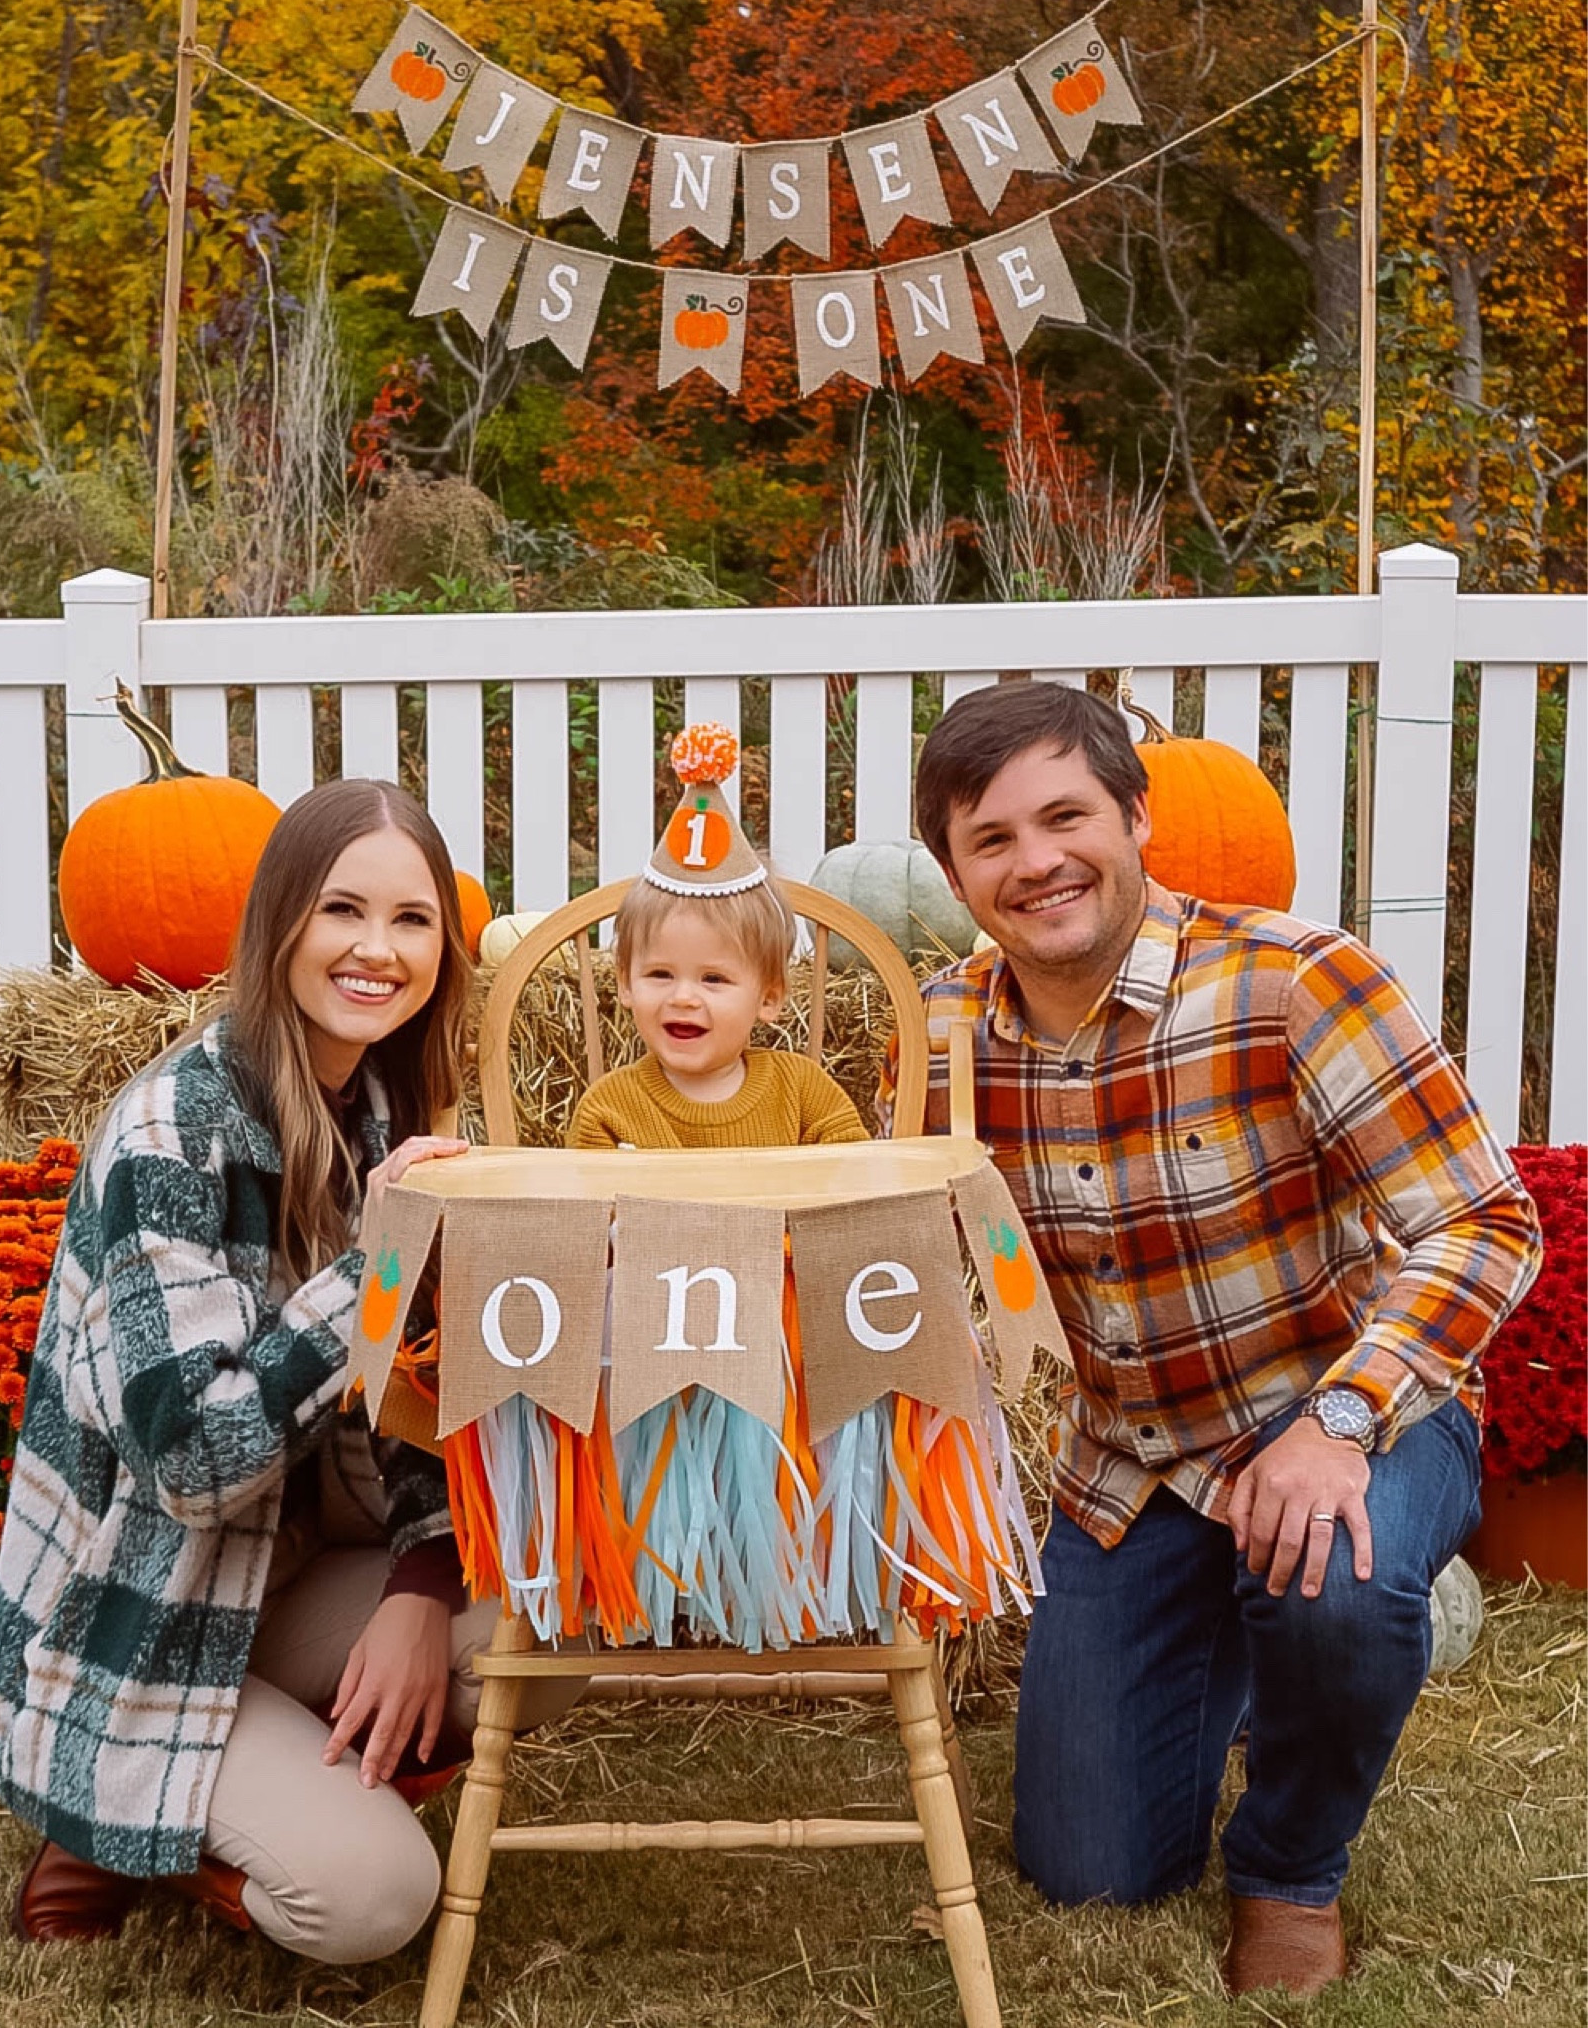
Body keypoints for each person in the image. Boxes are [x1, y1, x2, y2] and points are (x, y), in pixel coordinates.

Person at [879, 680, 1542, 1996]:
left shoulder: (1297, 977)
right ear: (954, 872)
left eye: (1067, 816)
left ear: (1135, 817)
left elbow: (1483, 1223)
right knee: (1094, 1868)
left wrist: (1340, 1426)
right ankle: (1243, 1651)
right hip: (1137, 1467)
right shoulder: (943, 1037)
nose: (1039, 861)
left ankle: (1293, 1859)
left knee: (1337, 1588)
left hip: (1351, 1416)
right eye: (991, 838)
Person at [0, 779, 563, 1964]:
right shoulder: (170, 1133)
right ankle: (121, 1820)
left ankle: (268, 1753)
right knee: (376, 1897)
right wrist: (376, 1261)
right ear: (280, 918)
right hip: (136, 1609)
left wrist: (420, 1580)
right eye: (344, 909)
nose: (376, 950)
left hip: (286, 1568)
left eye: (413, 922)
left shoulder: (388, 1110)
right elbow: (189, 1458)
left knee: (557, 1598)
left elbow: (418, 1394)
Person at [568, 722, 867, 1152]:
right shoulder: (609, 1110)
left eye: (713, 979)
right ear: (624, 983)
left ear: (768, 997)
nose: (684, 998)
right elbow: (588, 1213)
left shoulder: (805, 1095)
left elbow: (855, 1184)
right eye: (659, 974)